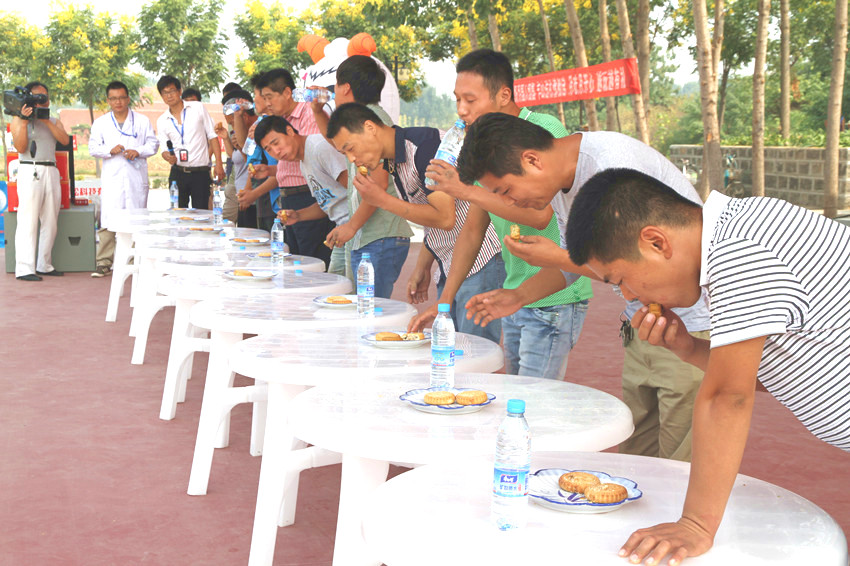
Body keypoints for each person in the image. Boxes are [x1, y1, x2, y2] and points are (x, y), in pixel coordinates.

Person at [564, 168, 850, 565]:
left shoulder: (738, 252)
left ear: (656, 242)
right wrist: (688, 348)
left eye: (621, 279)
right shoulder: (737, 235)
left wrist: (696, 524)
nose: (628, 295)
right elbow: (773, 373)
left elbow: (728, 397)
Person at [456, 113, 711, 458]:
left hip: (690, 324)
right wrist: (519, 295)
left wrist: (556, 257)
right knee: (637, 454)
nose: (510, 204)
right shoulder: (562, 186)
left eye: (506, 191)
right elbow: (583, 268)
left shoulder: (612, 167)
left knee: (680, 462)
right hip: (644, 322)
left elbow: (631, 266)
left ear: (532, 160)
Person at [408, 49, 593, 379]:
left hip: (554, 295)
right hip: (516, 293)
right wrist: (444, 303)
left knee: (533, 398)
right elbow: (472, 231)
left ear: (504, 95)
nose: (461, 110)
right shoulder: (485, 147)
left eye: (470, 100)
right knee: (518, 392)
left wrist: (463, 190)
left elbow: (542, 215)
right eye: (457, 100)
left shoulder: (542, 131)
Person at [327, 102, 505, 343]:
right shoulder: (393, 162)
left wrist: (382, 200)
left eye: (350, 148)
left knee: (473, 350)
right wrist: (423, 265)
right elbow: (430, 217)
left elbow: (445, 217)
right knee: (451, 348)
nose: (352, 159)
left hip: (480, 260)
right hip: (451, 264)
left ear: (370, 127)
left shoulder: (424, 147)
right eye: (344, 154)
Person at [319, 55, 413, 293]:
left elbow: (378, 184)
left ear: (346, 88)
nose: (334, 93)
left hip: (380, 235)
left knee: (368, 309)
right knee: (357, 305)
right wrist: (316, 111)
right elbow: (336, 141)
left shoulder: (371, 122)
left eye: (335, 86)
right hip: (370, 235)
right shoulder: (363, 119)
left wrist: (351, 226)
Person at [254, 116, 350, 275]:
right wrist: (298, 215)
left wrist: (352, 226)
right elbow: (327, 202)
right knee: (337, 285)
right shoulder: (303, 162)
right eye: (268, 149)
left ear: (290, 131)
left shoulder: (318, 147)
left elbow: (359, 191)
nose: (276, 152)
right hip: (344, 233)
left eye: (276, 143)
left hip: (361, 231)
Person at [256, 68, 332, 266]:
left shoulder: (310, 114)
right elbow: (292, 162)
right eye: (264, 98)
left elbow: (314, 156)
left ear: (287, 92)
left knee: (311, 262)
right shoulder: (281, 122)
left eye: (269, 97)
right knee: (295, 260)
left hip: (309, 195)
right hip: (290, 198)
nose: (267, 104)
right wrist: (271, 171)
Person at [88, 81, 159, 278]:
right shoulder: (101, 123)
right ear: (108, 100)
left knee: (137, 220)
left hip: (135, 178)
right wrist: (108, 150)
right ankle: (104, 262)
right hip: (113, 179)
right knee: (108, 220)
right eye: (113, 99)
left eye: (121, 98)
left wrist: (139, 151)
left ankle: (136, 261)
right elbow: (93, 148)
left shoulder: (142, 121)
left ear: (128, 99)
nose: (118, 102)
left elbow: (153, 144)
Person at [10, 81, 70, 281]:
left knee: (51, 221)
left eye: (44, 97)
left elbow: (64, 141)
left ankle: (44, 264)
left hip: (51, 169)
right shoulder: (18, 120)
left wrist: (46, 121)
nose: (41, 101)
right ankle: (24, 268)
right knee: (27, 220)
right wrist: (24, 122)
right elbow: (20, 148)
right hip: (29, 168)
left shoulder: (54, 120)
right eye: (37, 97)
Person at [155, 75, 224, 209]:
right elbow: (164, 149)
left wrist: (219, 164)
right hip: (178, 172)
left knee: (202, 213)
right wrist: (167, 156)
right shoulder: (162, 120)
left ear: (180, 91)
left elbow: (212, 136)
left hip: (200, 172)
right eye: (165, 93)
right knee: (178, 213)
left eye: (172, 91)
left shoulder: (198, 108)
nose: (169, 95)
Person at [217, 87, 256, 226]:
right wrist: (226, 139)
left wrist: (248, 189)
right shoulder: (240, 134)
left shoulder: (255, 131)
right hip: (242, 193)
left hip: (251, 196)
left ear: (243, 116)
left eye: (233, 122)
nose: (233, 127)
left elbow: (254, 165)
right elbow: (239, 157)